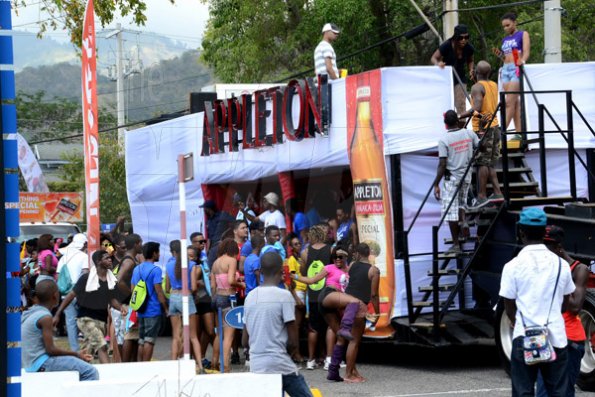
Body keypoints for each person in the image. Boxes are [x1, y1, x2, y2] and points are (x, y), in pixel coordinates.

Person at [499, 208, 574, 396]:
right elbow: (565, 304)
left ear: (521, 232)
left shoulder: (511, 266)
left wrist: (519, 322)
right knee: (559, 392)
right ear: (544, 232)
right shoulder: (561, 265)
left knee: (523, 392)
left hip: (523, 335)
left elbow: (509, 307)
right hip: (555, 335)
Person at [243, 252, 314, 397]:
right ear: (282, 271)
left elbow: (245, 341)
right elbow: (294, 342)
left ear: (261, 271)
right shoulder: (284, 296)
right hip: (279, 362)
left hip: (257, 364)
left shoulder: (250, 297)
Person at [536, 225, 589, 397]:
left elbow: (574, 307)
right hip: (546, 337)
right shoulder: (544, 268)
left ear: (559, 248)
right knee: (544, 392)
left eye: (547, 247)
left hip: (569, 339)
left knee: (562, 392)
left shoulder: (579, 269)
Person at [21, 280, 98, 381]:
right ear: (55, 295)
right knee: (90, 372)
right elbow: (51, 350)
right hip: (41, 363)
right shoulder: (45, 317)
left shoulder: (32, 312)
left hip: (30, 363)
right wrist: (76, 354)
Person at [53, 250, 121, 364]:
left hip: (101, 320)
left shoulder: (111, 279)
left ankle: (81, 370)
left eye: (110, 258)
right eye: (106, 258)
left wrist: (121, 308)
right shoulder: (86, 278)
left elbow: (111, 299)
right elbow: (71, 295)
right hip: (85, 319)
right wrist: (57, 314)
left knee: (88, 350)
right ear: (98, 262)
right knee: (102, 346)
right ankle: (110, 375)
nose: (110, 260)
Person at [458, 60, 504, 208]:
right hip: (496, 126)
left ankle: (482, 195)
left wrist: (460, 115)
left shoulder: (477, 87)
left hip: (483, 128)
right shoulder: (494, 85)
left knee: (482, 162)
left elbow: (476, 108)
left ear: (476, 72)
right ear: (489, 73)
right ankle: (497, 192)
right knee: (490, 162)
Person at [433, 110, 478, 255]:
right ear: (457, 121)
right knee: (462, 202)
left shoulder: (444, 140)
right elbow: (480, 146)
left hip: (451, 178)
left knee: (450, 211)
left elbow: (442, 164)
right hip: (466, 176)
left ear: (445, 124)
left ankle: (456, 244)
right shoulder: (468, 133)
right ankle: (464, 221)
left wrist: (436, 184)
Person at [164, 240, 204, 372]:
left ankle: (173, 365)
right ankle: (200, 365)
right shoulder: (191, 265)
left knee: (176, 336)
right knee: (193, 336)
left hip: (173, 298)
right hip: (186, 297)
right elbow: (193, 286)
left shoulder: (169, 265)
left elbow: (167, 287)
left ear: (173, 252)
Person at [300, 225, 332, 370]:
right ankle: (328, 360)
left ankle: (311, 360)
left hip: (312, 293)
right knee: (330, 326)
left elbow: (303, 272)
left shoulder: (305, 253)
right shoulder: (330, 250)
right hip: (327, 293)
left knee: (313, 328)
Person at [210, 238, 245, 372]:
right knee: (229, 336)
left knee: (219, 334)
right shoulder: (231, 260)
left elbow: (213, 285)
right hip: (228, 297)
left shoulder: (215, 262)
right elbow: (230, 280)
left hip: (217, 297)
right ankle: (225, 365)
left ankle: (214, 363)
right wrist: (241, 284)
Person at [131, 242, 168, 362]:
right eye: (158, 252)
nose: (159, 254)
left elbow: (133, 289)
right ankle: (147, 364)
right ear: (154, 253)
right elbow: (159, 291)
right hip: (153, 309)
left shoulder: (137, 268)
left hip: (140, 309)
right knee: (150, 340)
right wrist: (165, 308)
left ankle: (141, 364)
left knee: (141, 339)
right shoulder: (155, 270)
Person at [431, 24, 475, 115]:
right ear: (456, 37)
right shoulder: (447, 45)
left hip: (460, 77)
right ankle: (448, 125)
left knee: (461, 104)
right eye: (461, 38)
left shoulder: (469, 48)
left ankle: (462, 127)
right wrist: (438, 63)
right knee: (446, 104)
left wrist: (471, 69)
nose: (464, 40)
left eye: (466, 37)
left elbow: (470, 60)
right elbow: (433, 58)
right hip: (446, 78)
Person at [55, 233, 88, 352]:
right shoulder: (84, 257)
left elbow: (58, 276)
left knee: (70, 323)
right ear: (84, 244)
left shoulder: (64, 257)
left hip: (66, 294)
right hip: (81, 294)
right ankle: (88, 349)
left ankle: (75, 350)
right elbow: (85, 274)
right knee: (86, 321)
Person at [500, 12, 531, 132]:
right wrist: (500, 55)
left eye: (508, 25)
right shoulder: (505, 39)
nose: (505, 28)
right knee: (514, 102)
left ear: (514, 23)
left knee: (509, 102)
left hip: (515, 69)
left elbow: (526, 51)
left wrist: (522, 60)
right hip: (505, 69)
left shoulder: (523, 34)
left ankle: (500, 132)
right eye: (504, 26)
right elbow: (505, 56)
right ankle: (519, 132)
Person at [115, 233, 143, 362]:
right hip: (128, 303)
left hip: (128, 303)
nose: (141, 246)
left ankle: (131, 363)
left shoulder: (132, 259)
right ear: (136, 244)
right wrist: (132, 296)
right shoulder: (129, 261)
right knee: (129, 335)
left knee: (132, 335)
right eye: (140, 243)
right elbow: (119, 280)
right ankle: (126, 365)